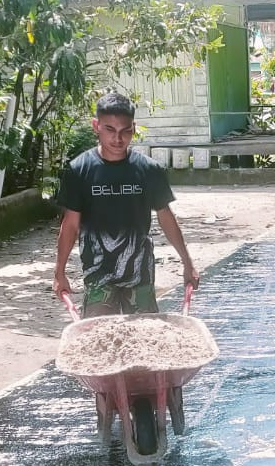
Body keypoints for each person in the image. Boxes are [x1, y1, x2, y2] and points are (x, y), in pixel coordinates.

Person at [52, 92, 199, 316]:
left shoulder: (149, 170)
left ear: (134, 128)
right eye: (110, 129)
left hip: (139, 273)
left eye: (125, 131)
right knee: (97, 333)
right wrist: (59, 272)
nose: (118, 139)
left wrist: (187, 263)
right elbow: (70, 225)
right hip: (98, 273)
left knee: (145, 332)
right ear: (96, 126)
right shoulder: (79, 170)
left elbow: (166, 217)